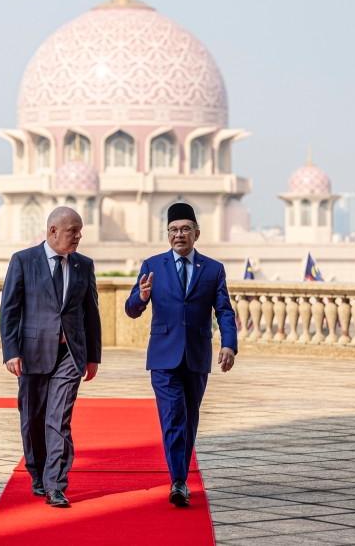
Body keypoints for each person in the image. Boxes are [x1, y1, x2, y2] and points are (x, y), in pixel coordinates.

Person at [124, 202, 237, 507]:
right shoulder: (152, 265)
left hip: (197, 355)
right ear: (168, 234)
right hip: (163, 356)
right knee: (173, 415)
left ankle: (180, 477)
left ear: (196, 234)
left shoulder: (213, 269)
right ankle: (178, 481)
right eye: (173, 229)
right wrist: (142, 296)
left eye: (185, 229)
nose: (179, 235)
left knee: (189, 420)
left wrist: (229, 344)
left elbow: (224, 310)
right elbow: (131, 309)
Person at [0, 207, 101, 509]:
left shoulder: (84, 265)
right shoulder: (23, 260)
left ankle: (56, 483)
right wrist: (11, 351)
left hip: (70, 353)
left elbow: (91, 314)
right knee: (33, 418)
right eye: (73, 231)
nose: (79, 236)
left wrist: (93, 356)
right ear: (53, 231)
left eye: (80, 231)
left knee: (60, 419)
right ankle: (37, 471)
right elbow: (9, 309)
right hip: (31, 353)